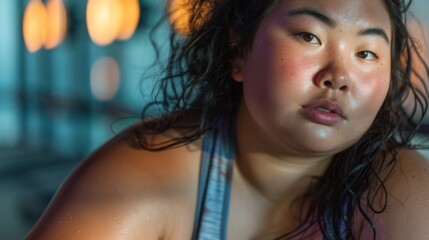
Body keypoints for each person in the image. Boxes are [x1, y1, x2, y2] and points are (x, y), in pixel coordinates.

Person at [26, 0, 429, 239]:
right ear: (238, 49)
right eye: (309, 36)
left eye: (367, 54)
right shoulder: (146, 175)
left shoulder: (399, 186)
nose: (338, 77)